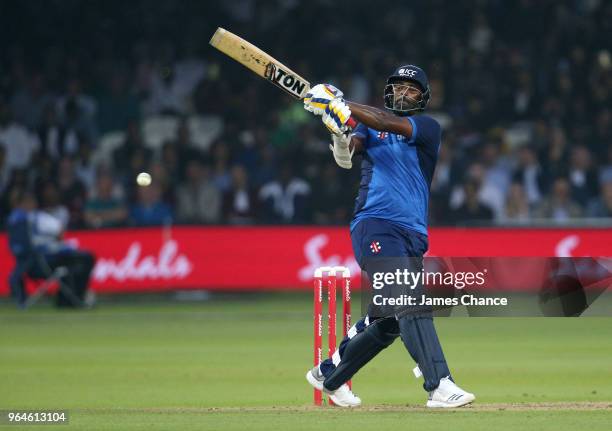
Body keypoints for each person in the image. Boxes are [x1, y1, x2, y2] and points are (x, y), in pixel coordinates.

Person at [302, 65, 475, 408]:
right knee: (410, 302)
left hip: (412, 234)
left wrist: (339, 102)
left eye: (411, 89)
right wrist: (338, 132)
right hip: (376, 225)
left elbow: (383, 121)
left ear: (422, 97)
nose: (403, 93)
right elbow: (345, 158)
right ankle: (439, 384)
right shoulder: (366, 128)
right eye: (398, 87)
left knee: (390, 319)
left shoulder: (427, 127)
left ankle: (329, 375)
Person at [7, 189, 95, 308]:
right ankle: (74, 298)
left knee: (71, 264)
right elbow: (59, 230)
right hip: (44, 262)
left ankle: (66, 299)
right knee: (85, 258)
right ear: (28, 203)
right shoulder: (36, 217)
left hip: (27, 266)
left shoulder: (12, 219)